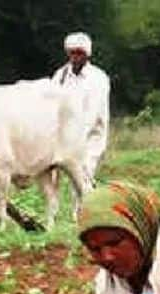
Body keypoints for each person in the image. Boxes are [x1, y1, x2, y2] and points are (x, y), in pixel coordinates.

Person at [53, 31, 110, 182]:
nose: (75, 57)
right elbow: (53, 105)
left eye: (79, 53)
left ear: (87, 54)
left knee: (83, 177)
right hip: (64, 138)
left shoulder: (98, 78)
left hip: (90, 138)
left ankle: (84, 206)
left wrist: (76, 137)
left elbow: (92, 114)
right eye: (72, 53)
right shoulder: (60, 76)